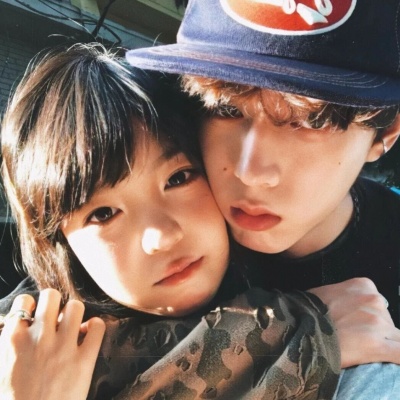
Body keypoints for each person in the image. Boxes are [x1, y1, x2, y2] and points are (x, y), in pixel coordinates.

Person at [0, 44, 398, 399]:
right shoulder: (27, 342)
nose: (162, 235)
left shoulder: (353, 352)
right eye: (103, 213)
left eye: (178, 178)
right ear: (56, 239)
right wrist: (288, 335)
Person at [124, 0, 400, 397]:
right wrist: (287, 339)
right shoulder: (159, 231)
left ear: (385, 133)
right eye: (225, 108)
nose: (250, 171)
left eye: (311, 120)